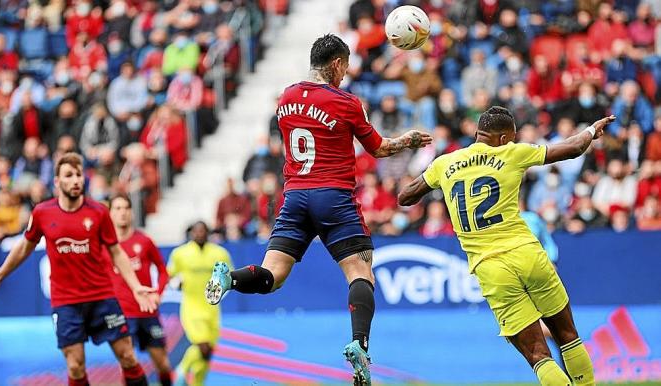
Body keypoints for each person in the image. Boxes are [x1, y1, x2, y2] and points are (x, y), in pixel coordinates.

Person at [204, 34, 432, 385]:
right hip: (333, 197)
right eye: (345, 66)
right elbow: (380, 149)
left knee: (272, 277)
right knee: (360, 273)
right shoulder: (346, 102)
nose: (346, 73)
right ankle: (359, 343)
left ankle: (230, 278)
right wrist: (410, 140)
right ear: (337, 64)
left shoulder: (287, 97)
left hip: (294, 196)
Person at [398, 106, 615, 385]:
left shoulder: (444, 164)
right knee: (568, 336)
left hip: (491, 269)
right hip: (528, 255)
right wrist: (590, 130)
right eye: (510, 138)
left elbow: (406, 196)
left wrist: (434, 181)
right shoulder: (512, 153)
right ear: (502, 139)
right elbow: (572, 148)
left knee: (538, 354)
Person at [0, 153, 157, 386]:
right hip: (66, 302)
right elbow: (23, 248)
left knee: (128, 357)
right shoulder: (42, 213)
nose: (75, 180)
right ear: (57, 182)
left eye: (79, 175)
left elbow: (116, 252)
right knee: (75, 365)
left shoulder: (99, 212)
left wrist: (135, 287)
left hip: (102, 297)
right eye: (69, 175)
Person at [108, 195, 172, 386]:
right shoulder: (105, 247)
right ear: (110, 213)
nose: (122, 213)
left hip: (147, 312)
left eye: (126, 208)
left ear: (132, 213)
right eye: (117, 208)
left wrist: (157, 294)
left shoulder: (144, 241)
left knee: (162, 364)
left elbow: (163, 271)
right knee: (127, 364)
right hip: (122, 314)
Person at [167, 221, 233, 386]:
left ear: (208, 233)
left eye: (203, 231)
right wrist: (177, 282)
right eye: (196, 231)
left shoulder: (219, 253)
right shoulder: (180, 253)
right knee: (202, 346)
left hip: (212, 309)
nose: (199, 234)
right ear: (191, 233)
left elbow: (230, 275)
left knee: (207, 353)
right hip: (192, 307)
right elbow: (170, 275)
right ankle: (182, 369)